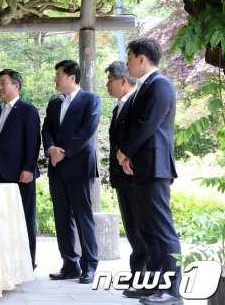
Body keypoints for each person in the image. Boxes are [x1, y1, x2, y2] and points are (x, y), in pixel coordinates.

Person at [116, 38, 182, 305]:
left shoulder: (161, 84)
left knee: (161, 230)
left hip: (155, 167)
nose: (127, 62)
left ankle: (171, 290)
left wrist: (124, 152)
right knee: (147, 231)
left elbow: (146, 124)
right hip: (142, 167)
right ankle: (153, 285)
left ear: (142, 59)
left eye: (130, 56)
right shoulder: (146, 86)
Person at [42, 59, 100, 284]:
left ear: (71, 77)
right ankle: (69, 264)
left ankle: (90, 265)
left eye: (58, 75)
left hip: (79, 165)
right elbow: (46, 128)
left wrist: (63, 152)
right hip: (56, 166)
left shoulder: (90, 99)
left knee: (83, 216)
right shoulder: (54, 103)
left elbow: (88, 129)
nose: (56, 79)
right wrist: (50, 149)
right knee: (62, 216)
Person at [0, 69, 40, 268]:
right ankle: (6, 261)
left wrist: (28, 168)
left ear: (16, 86)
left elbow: (33, 142)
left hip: (20, 174)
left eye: (4, 83)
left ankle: (27, 263)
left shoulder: (28, 110)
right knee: (1, 219)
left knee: (24, 218)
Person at [105, 60, 153, 298]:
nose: (107, 85)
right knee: (133, 230)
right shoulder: (118, 106)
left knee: (142, 231)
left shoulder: (136, 103)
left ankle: (145, 279)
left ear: (123, 81)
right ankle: (137, 276)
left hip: (135, 176)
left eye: (110, 80)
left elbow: (139, 135)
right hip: (121, 178)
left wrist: (126, 156)